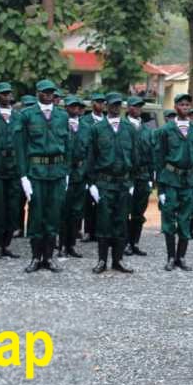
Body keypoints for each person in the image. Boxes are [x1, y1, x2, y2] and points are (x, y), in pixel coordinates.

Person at [16, 79, 69, 273]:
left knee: (53, 215)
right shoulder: (27, 115)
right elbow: (20, 147)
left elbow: (68, 145)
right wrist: (23, 176)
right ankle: (35, 257)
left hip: (56, 172)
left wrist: (66, 172)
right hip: (36, 172)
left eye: (50, 92)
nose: (47, 95)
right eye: (44, 92)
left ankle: (48, 257)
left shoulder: (62, 116)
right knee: (36, 215)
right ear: (37, 92)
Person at [86, 93, 136, 274]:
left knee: (121, 222)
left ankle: (118, 260)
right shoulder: (97, 129)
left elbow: (135, 157)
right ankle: (101, 260)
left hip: (123, 183)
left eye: (118, 105)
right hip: (104, 183)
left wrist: (132, 182)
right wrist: (91, 184)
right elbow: (90, 157)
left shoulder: (129, 129)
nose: (115, 108)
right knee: (104, 222)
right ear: (106, 106)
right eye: (112, 105)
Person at [155, 93, 193, 271]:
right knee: (169, 218)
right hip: (170, 179)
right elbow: (159, 159)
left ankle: (181, 257)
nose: (185, 107)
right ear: (175, 107)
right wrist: (160, 188)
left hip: (188, 180)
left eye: (187, 105)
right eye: (181, 104)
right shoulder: (165, 130)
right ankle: (170, 257)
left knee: (185, 218)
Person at [0, 82, 22, 259]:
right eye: (2, 94)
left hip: (14, 168)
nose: (6, 96)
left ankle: (6, 243)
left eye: (8, 93)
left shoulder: (18, 117)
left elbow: (23, 144)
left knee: (13, 209)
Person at [57, 95, 87, 258]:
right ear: (66, 108)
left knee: (77, 212)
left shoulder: (86, 127)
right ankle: (61, 245)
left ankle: (72, 245)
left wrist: (87, 175)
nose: (75, 109)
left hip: (80, 173)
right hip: (65, 172)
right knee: (64, 211)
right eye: (71, 106)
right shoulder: (60, 125)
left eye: (77, 106)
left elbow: (90, 151)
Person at [125, 96, 154, 256]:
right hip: (127, 175)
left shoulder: (147, 130)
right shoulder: (122, 127)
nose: (137, 109)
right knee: (124, 211)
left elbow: (151, 155)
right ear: (128, 107)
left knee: (139, 212)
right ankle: (123, 244)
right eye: (135, 106)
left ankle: (134, 242)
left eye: (140, 107)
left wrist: (151, 178)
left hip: (142, 175)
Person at [81, 92, 106, 243]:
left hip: (103, 165)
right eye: (98, 102)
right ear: (92, 104)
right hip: (87, 164)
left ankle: (99, 231)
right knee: (87, 200)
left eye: (103, 102)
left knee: (102, 200)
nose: (101, 104)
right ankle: (88, 231)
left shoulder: (108, 121)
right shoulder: (85, 121)